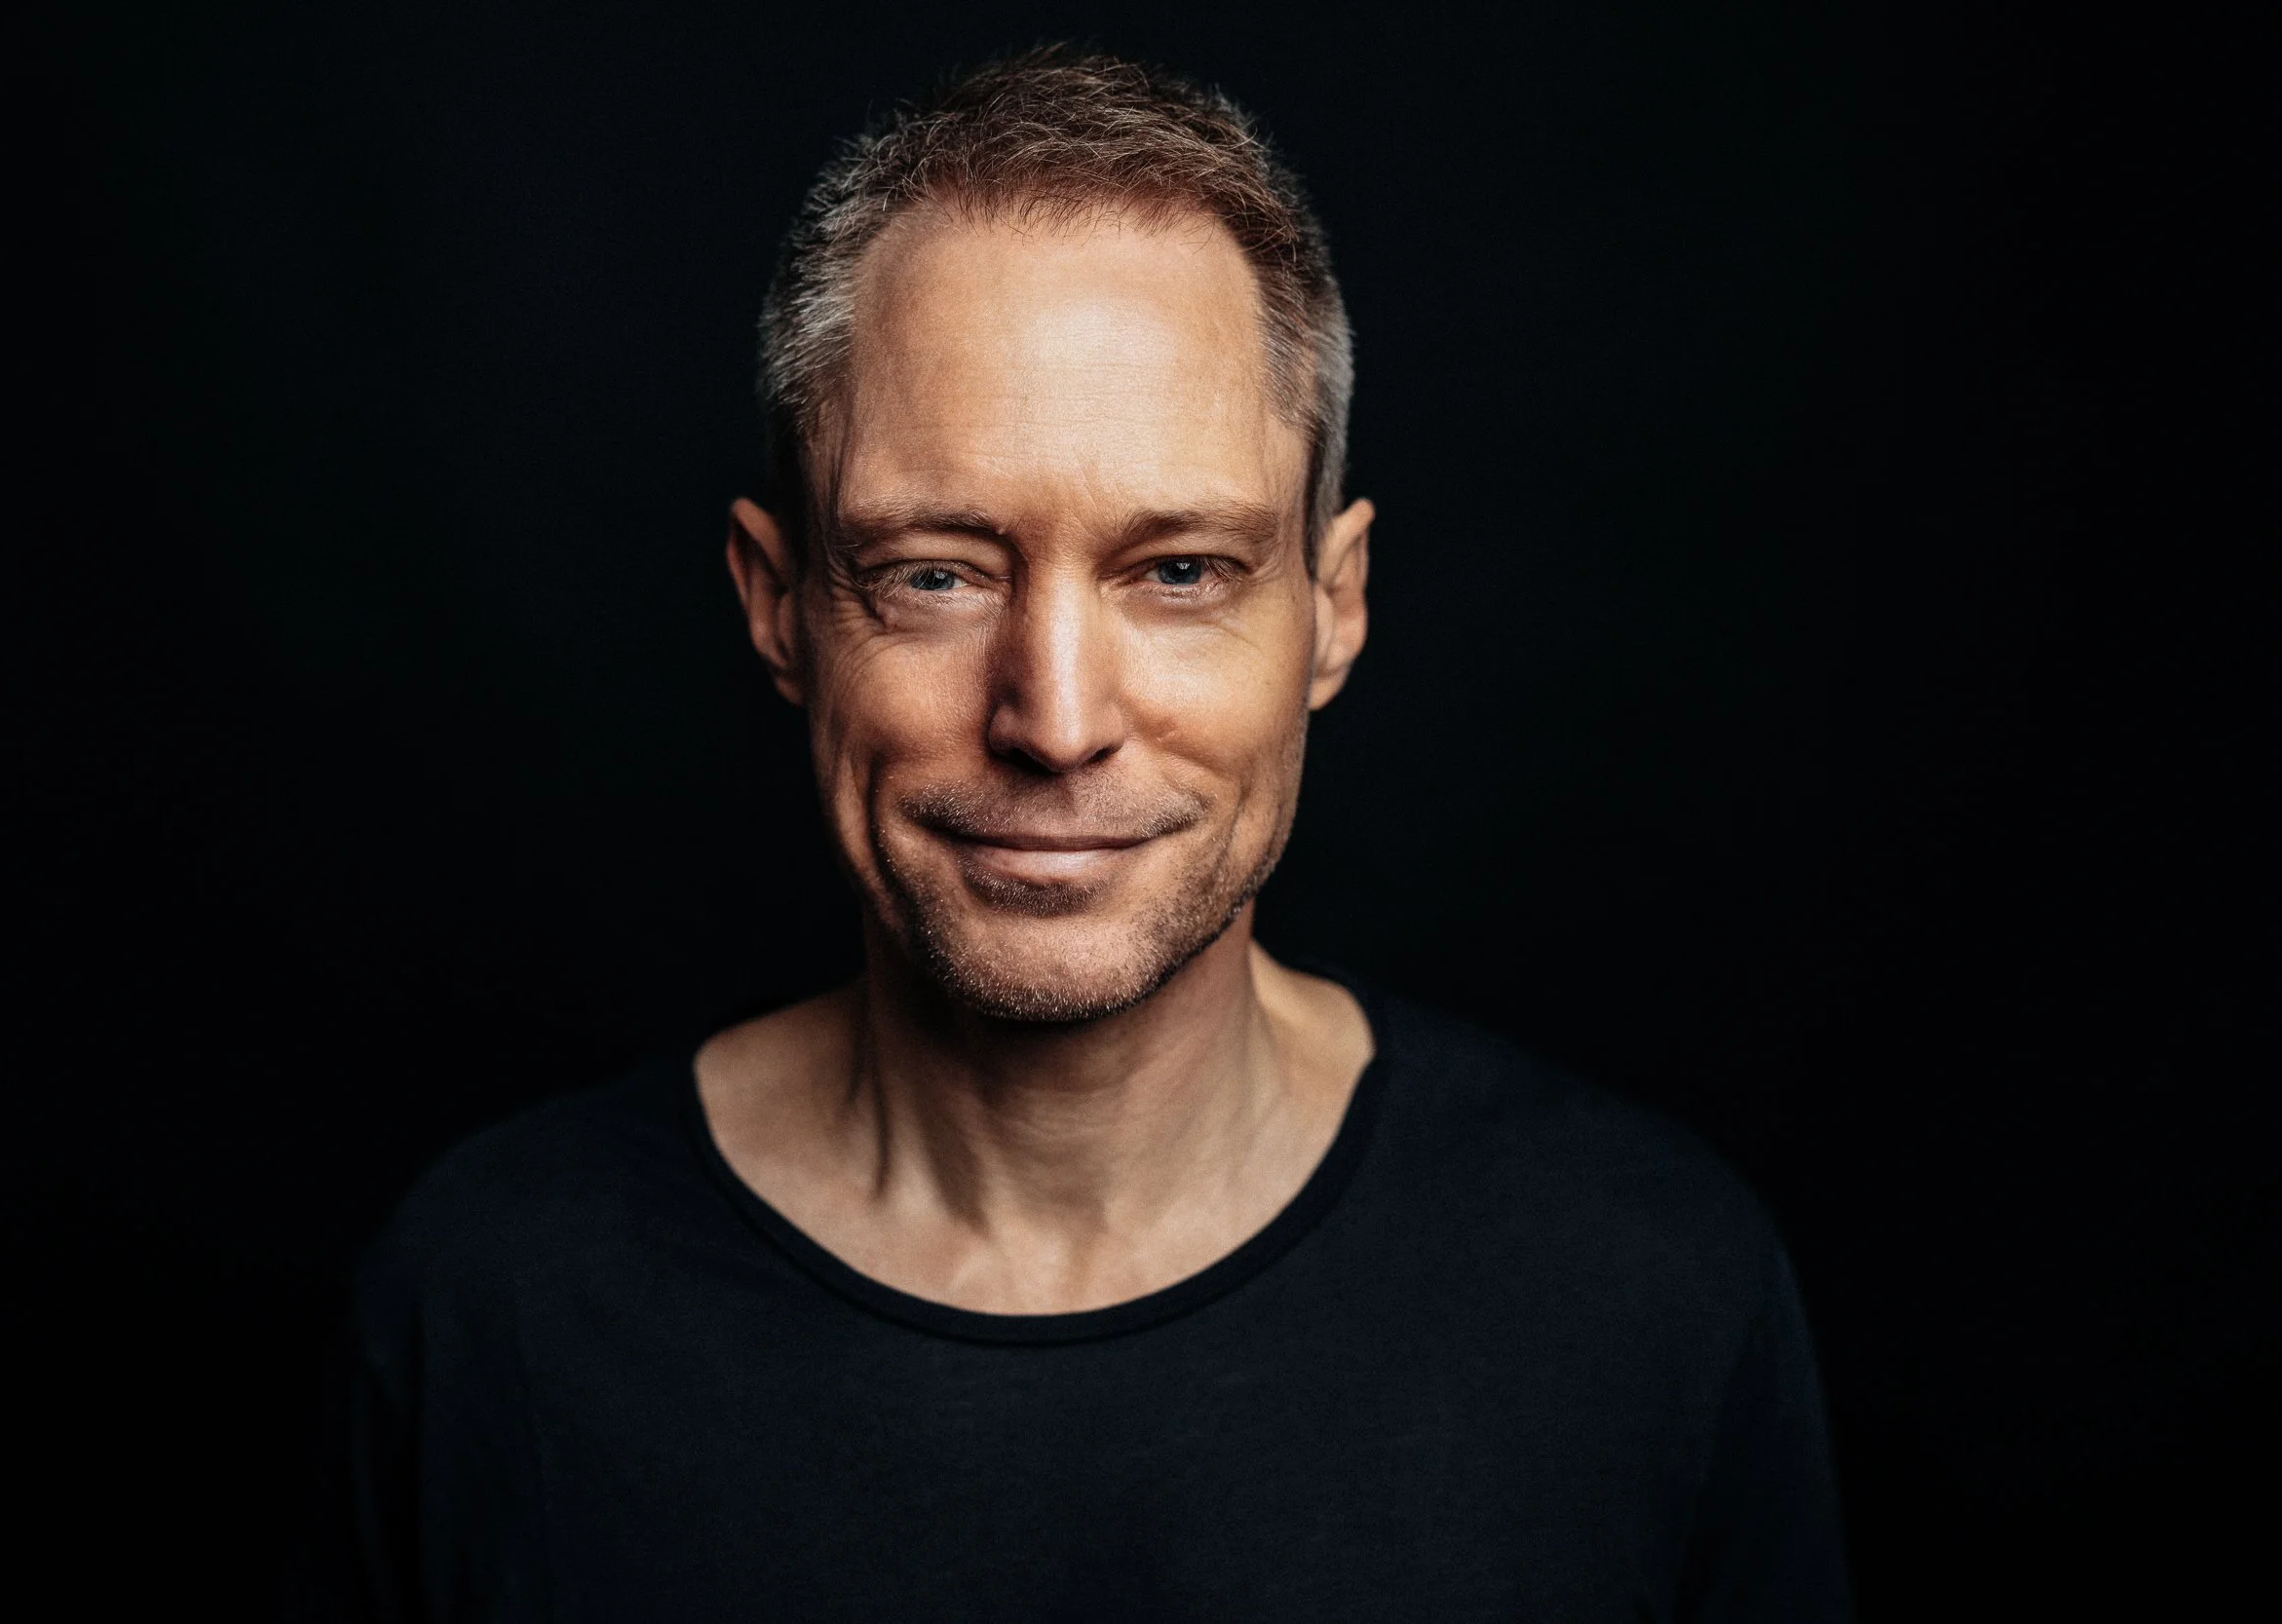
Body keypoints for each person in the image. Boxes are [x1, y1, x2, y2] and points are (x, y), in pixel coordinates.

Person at [290, 49, 1850, 1621]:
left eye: (1178, 571)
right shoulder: (488, 1308)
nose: (1052, 717)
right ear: (777, 609)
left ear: (1337, 605)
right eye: (936, 571)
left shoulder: (1650, 1294)